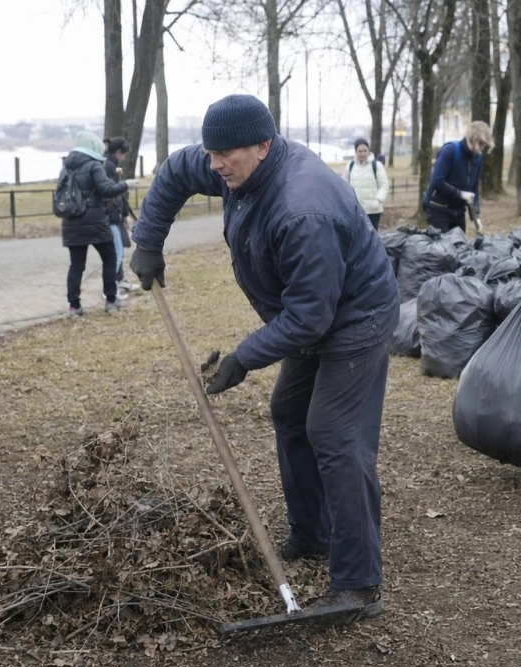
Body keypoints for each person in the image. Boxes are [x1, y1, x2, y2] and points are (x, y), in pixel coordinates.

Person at [130, 94, 399, 621]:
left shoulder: (301, 206)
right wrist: (148, 240)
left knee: (335, 434)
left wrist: (243, 358)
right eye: (211, 153)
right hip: (311, 313)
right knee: (289, 413)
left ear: (263, 145)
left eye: (224, 155)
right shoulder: (234, 168)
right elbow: (173, 174)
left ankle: (359, 583)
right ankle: (313, 531)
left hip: (355, 318)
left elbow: (311, 317)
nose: (214, 165)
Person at [60, 132, 135, 317]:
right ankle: (111, 300)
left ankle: (74, 306)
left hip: (71, 222)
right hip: (94, 222)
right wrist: (126, 185)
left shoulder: (66, 167)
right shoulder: (94, 165)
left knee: (76, 265)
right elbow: (105, 189)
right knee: (109, 258)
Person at [421, 121, 493, 232]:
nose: (482, 148)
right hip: (438, 209)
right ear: (472, 139)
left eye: (484, 145)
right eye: (480, 144)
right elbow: (437, 181)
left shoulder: (477, 158)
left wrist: (475, 217)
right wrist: (459, 194)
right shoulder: (450, 150)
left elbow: (474, 189)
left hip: (458, 211)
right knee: (443, 247)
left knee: (460, 246)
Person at [103, 137, 140, 298]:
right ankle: (110, 289)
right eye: (123, 155)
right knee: (116, 253)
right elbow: (112, 192)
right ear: (118, 152)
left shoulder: (109, 166)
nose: (124, 158)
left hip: (114, 216)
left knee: (118, 250)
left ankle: (119, 280)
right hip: (111, 216)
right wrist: (125, 184)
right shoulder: (108, 166)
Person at [342, 138, 388, 229]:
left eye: (365, 151)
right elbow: (344, 185)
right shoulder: (350, 166)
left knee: (372, 238)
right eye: (360, 151)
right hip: (356, 211)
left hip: (373, 210)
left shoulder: (377, 165)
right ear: (356, 152)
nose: (362, 153)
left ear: (368, 151)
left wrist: (378, 200)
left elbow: (384, 185)